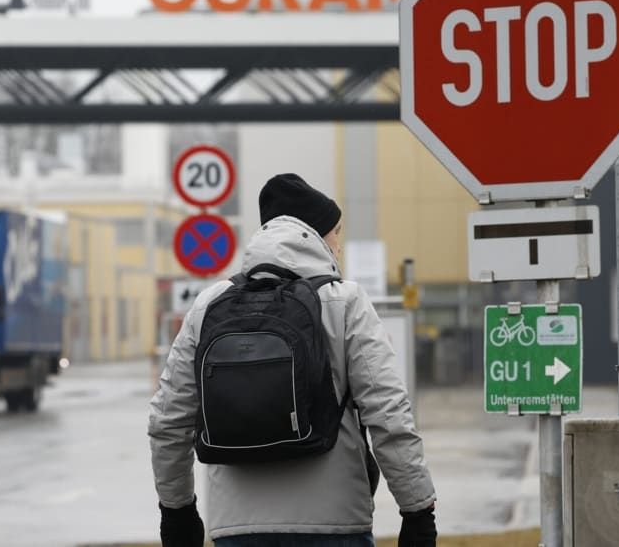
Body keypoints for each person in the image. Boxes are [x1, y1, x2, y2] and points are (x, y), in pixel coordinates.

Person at [149, 173, 437, 546]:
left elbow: (168, 421)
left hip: (236, 529)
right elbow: (388, 414)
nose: (340, 246)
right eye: (336, 234)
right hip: (335, 527)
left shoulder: (208, 306)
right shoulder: (345, 302)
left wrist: (177, 512)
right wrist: (417, 511)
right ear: (317, 237)